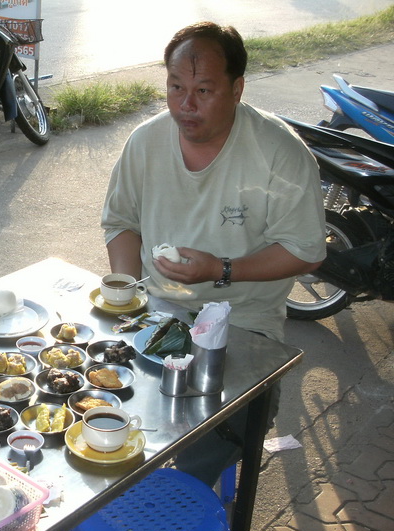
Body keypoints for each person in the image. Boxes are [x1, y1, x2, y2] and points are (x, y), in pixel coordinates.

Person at [101, 22, 326, 486]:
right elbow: (122, 222)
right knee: (92, 403)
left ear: (237, 88)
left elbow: (307, 253)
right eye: (176, 87)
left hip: (243, 330)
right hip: (155, 315)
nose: (186, 104)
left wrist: (221, 269)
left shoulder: (279, 153)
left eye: (204, 90)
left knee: (203, 444)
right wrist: (127, 296)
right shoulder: (145, 142)